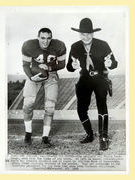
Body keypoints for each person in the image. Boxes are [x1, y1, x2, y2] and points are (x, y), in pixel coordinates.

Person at [66, 18, 118, 151]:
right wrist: (73, 65)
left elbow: (114, 63)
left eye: (89, 33)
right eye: (83, 34)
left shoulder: (103, 44)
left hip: (100, 77)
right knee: (81, 109)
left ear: (93, 33)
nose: (86, 36)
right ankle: (89, 134)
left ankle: (103, 138)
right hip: (84, 78)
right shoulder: (75, 46)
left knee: (102, 105)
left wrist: (109, 64)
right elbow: (69, 67)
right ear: (79, 34)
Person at [22, 28, 66, 147]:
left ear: (51, 38)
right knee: (28, 103)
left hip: (51, 74)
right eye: (43, 38)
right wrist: (31, 77)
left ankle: (45, 137)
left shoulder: (59, 45)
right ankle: (28, 133)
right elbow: (25, 65)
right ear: (38, 37)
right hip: (34, 73)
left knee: (50, 107)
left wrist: (49, 68)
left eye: (48, 38)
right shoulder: (28, 45)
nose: (46, 41)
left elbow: (62, 64)